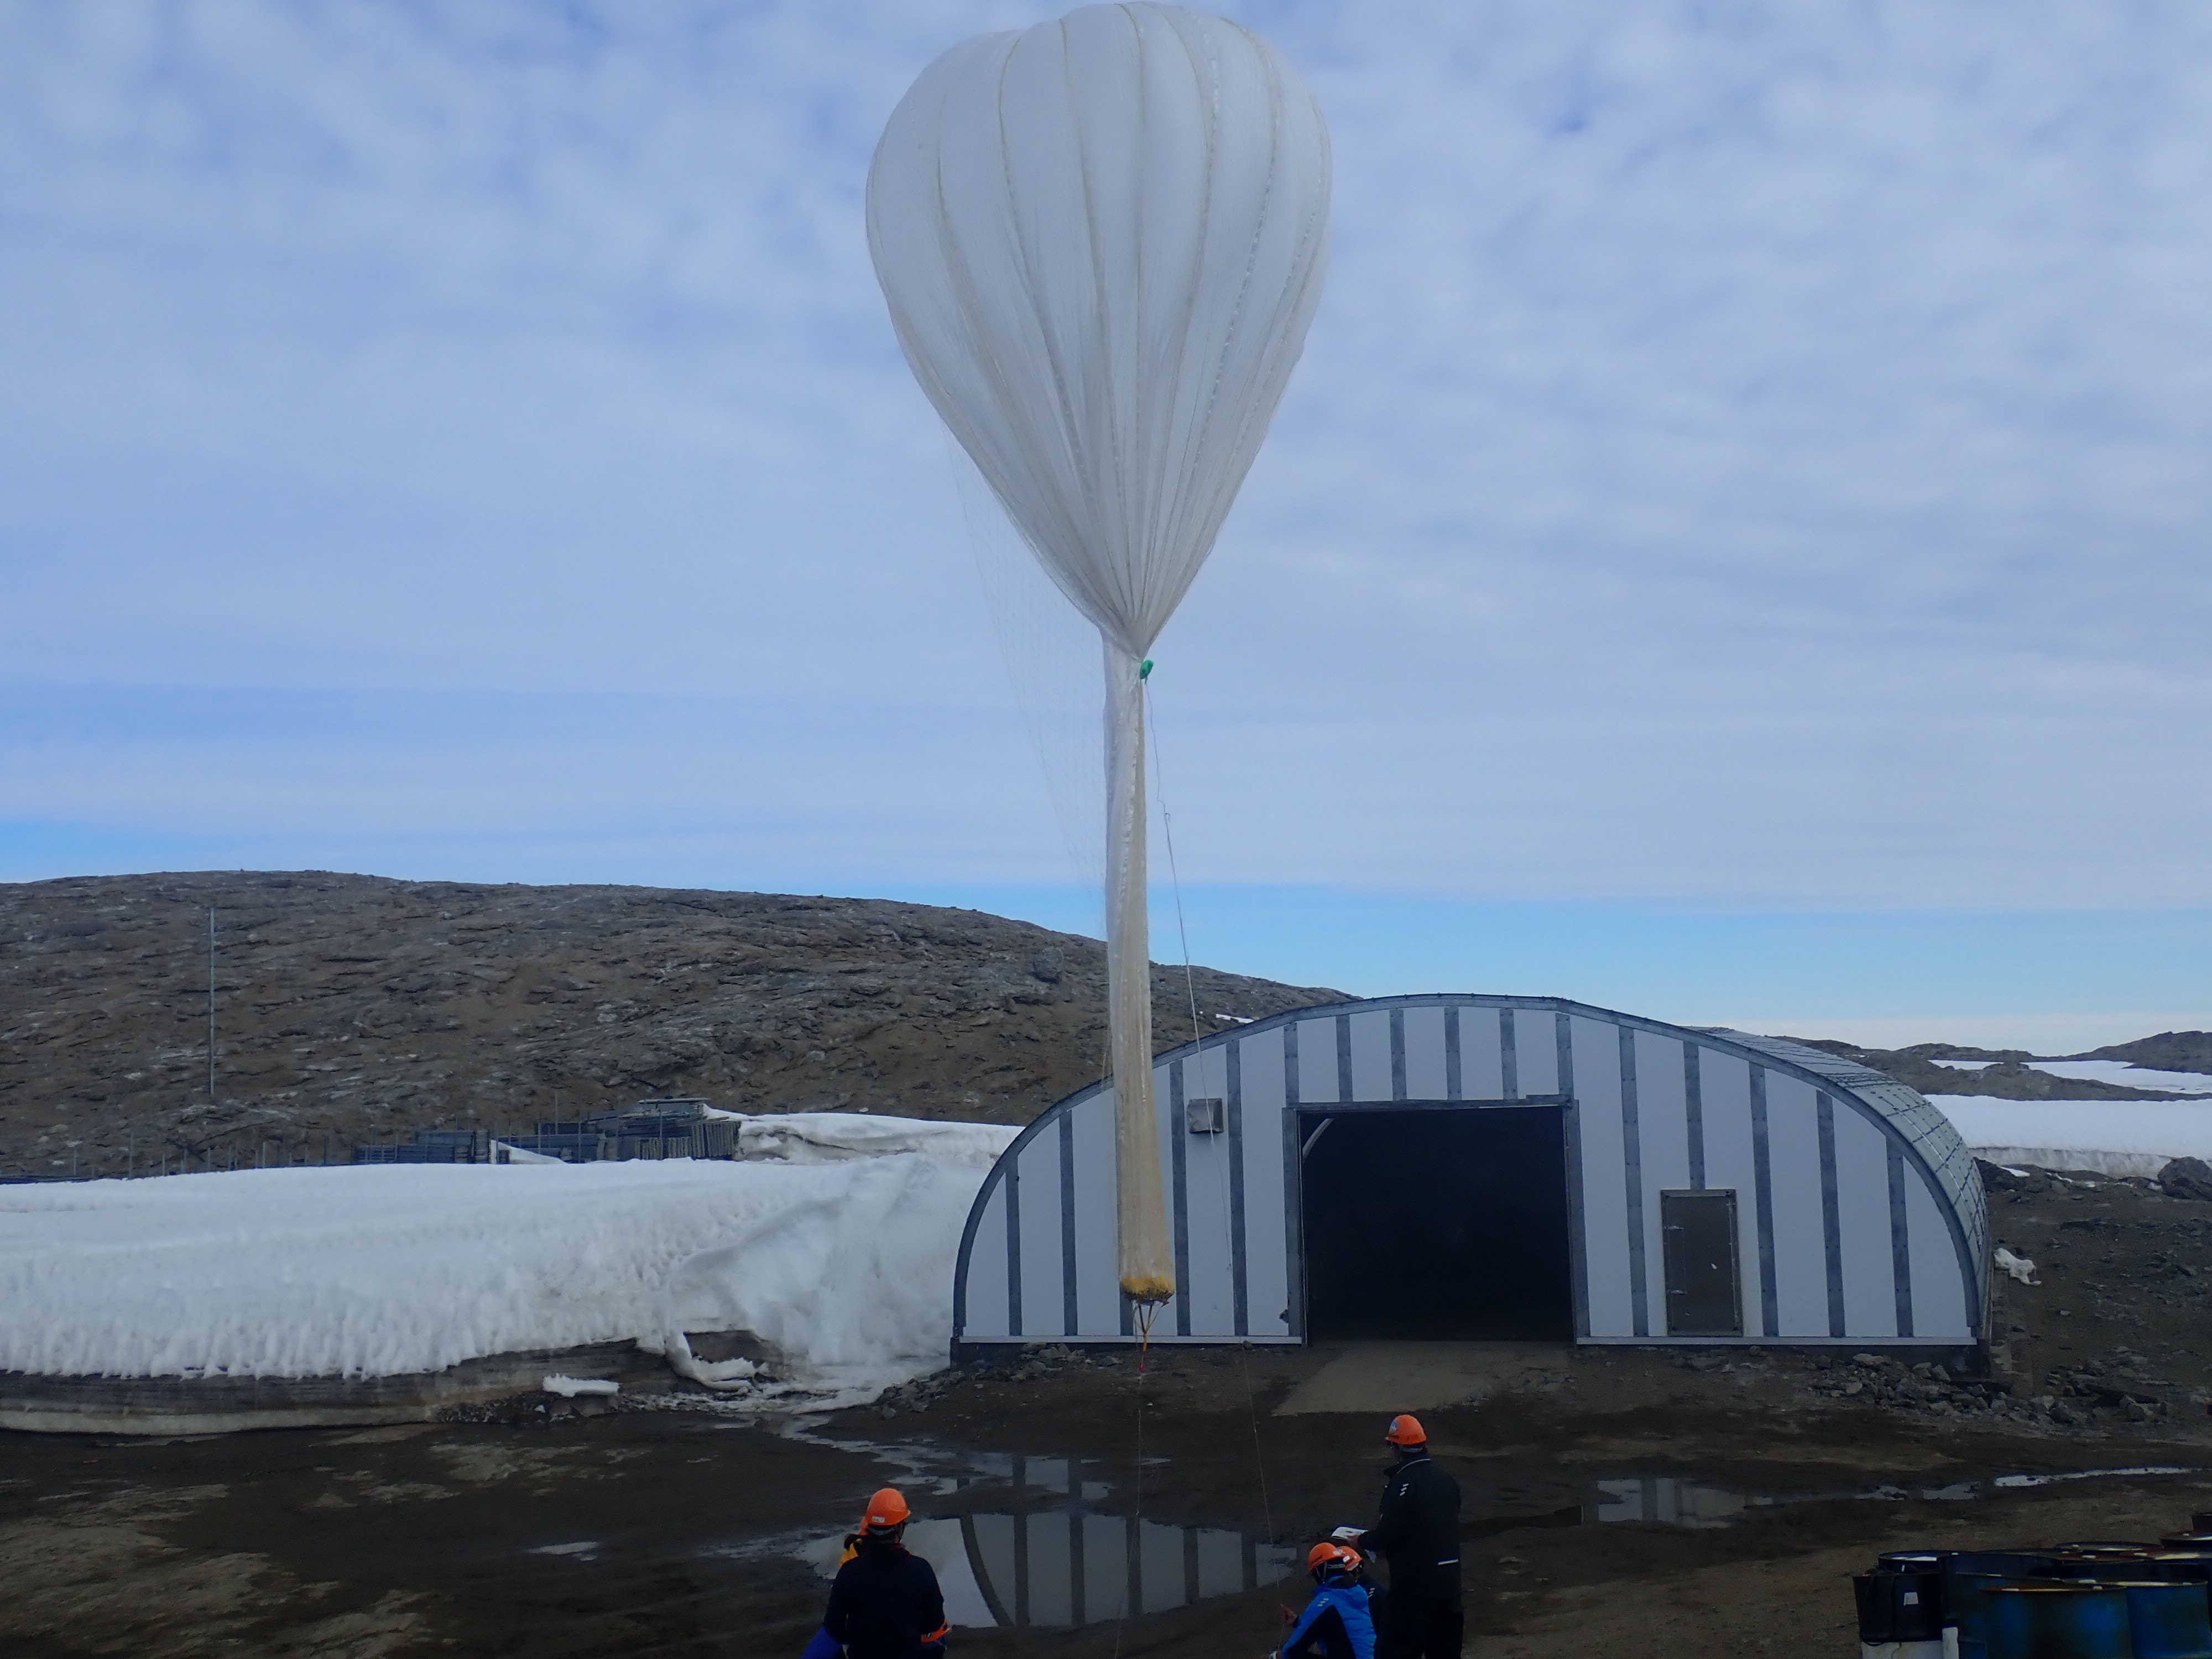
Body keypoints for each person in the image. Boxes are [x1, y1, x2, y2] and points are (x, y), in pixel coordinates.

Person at [1333, 1415, 1462, 1659]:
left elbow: (1389, 1533)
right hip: (1450, 1589)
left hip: (1413, 1592)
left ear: (1395, 1447)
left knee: (1392, 1653)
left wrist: (1361, 1542)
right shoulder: (1447, 1481)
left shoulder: (1403, 1483)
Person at [820, 1488, 948, 1659]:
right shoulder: (920, 1569)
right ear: (900, 1528)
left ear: (869, 1526)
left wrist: (857, 1638)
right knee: (938, 1643)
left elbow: (833, 1626)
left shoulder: (849, 1572)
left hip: (862, 1655)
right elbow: (935, 1621)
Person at [1273, 1541, 1385, 1659]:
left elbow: (1292, 1650)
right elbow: (1338, 1626)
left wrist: (1275, 1657)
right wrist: (1297, 1621)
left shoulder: (1327, 1601)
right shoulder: (1358, 1592)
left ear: (1320, 1572)